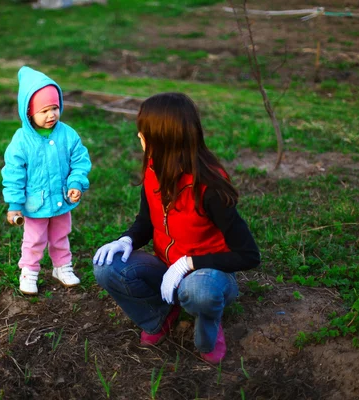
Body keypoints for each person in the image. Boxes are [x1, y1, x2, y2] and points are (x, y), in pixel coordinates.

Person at [92, 92, 260, 364]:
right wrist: (126, 240)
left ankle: (208, 329)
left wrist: (188, 264)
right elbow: (146, 222)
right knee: (107, 267)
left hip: (208, 275)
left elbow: (249, 255)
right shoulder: (153, 167)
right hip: (165, 266)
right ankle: (158, 315)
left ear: (162, 139)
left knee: (199, 292)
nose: (139, 137)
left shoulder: (210, 186)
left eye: (143, 132)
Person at [2, 66, 92, 296]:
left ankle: (62, 267)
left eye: (55, 108)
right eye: (44, 111)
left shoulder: (67, 134)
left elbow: (80, 160)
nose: (51, 115)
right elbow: (13, 173)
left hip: (61, 200)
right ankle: (29, 271)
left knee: (61, 236)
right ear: (29, 112)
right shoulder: (22, 141)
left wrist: (75, 183)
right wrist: (14, 204)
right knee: (34, 240)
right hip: (35, 204)